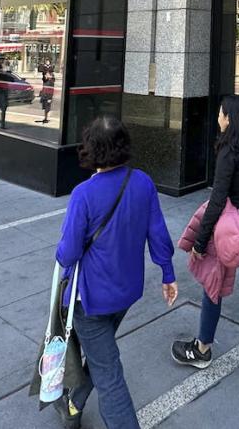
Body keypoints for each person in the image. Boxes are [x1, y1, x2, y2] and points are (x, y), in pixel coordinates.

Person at [53, 116, 177, 429]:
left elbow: (67, 252)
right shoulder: (143, 182)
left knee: (110, 375)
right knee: (102, 354)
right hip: (126, 293)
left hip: (90, 299)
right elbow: (158, 234)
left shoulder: (83, 194)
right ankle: (73, 404)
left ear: (91, 149)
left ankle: (77, 408)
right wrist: (167, 273)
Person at [172, 94, 239, 395]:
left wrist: (200, 241)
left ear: (229, 119)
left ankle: (202, 349)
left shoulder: (228, 152)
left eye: (221, 114)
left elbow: (217, 200)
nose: (218, 118)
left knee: (213, 286)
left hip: (233, 233)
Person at [37, 59, 55, 124]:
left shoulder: (52, 79)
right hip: (45, 93)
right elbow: (41, 70)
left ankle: (46, 118)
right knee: (45, 106)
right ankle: (46, 118)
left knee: (48, 106)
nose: (46, 75)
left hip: (49, 93)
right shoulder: (45, 78)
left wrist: (50, 96)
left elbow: (52, 87)